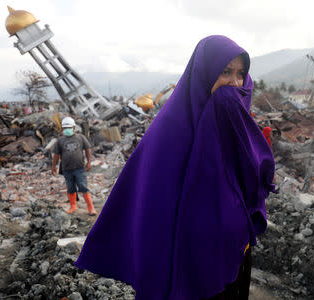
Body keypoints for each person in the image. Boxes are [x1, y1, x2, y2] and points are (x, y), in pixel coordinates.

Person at [74, 35, 275, 299]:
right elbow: (153, 206)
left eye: (241, 74)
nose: (235, 83)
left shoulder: (233, 121)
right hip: (186, 265)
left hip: (232, 256)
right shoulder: (171, 130)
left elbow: (251, 184)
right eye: (225, 72)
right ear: (204, 73)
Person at [52, 116, 96, 216]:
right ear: (62, 129)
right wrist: (53, 166)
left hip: (79, 168)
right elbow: (56, 155)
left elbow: (88, 149)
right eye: (65, 128)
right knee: (70, 188)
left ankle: (91, 207)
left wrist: (89, 162)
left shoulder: (80, 138)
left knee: (83, 186)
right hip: (67, 169)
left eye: (69, 127)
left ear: (74, 128)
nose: (67, 130)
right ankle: (73, 206)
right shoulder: (60, 140)